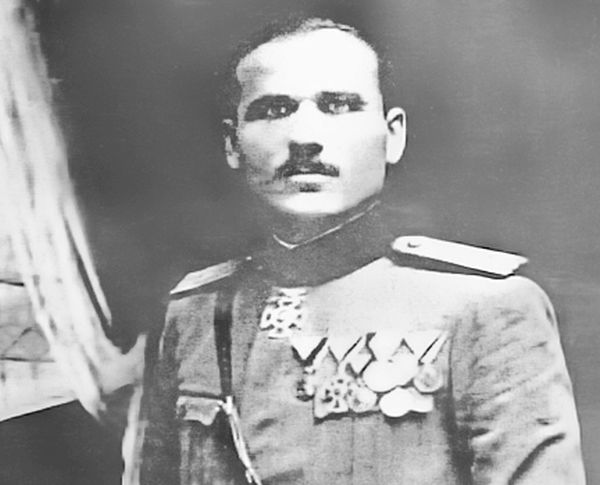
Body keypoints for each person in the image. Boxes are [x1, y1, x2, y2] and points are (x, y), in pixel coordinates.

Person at [141, 17, 585, 485]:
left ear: (393, 136)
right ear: (233, 144)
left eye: (338, 106)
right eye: (274, 110)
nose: (304, 138)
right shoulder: (197, 313)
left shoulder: (484, 308)